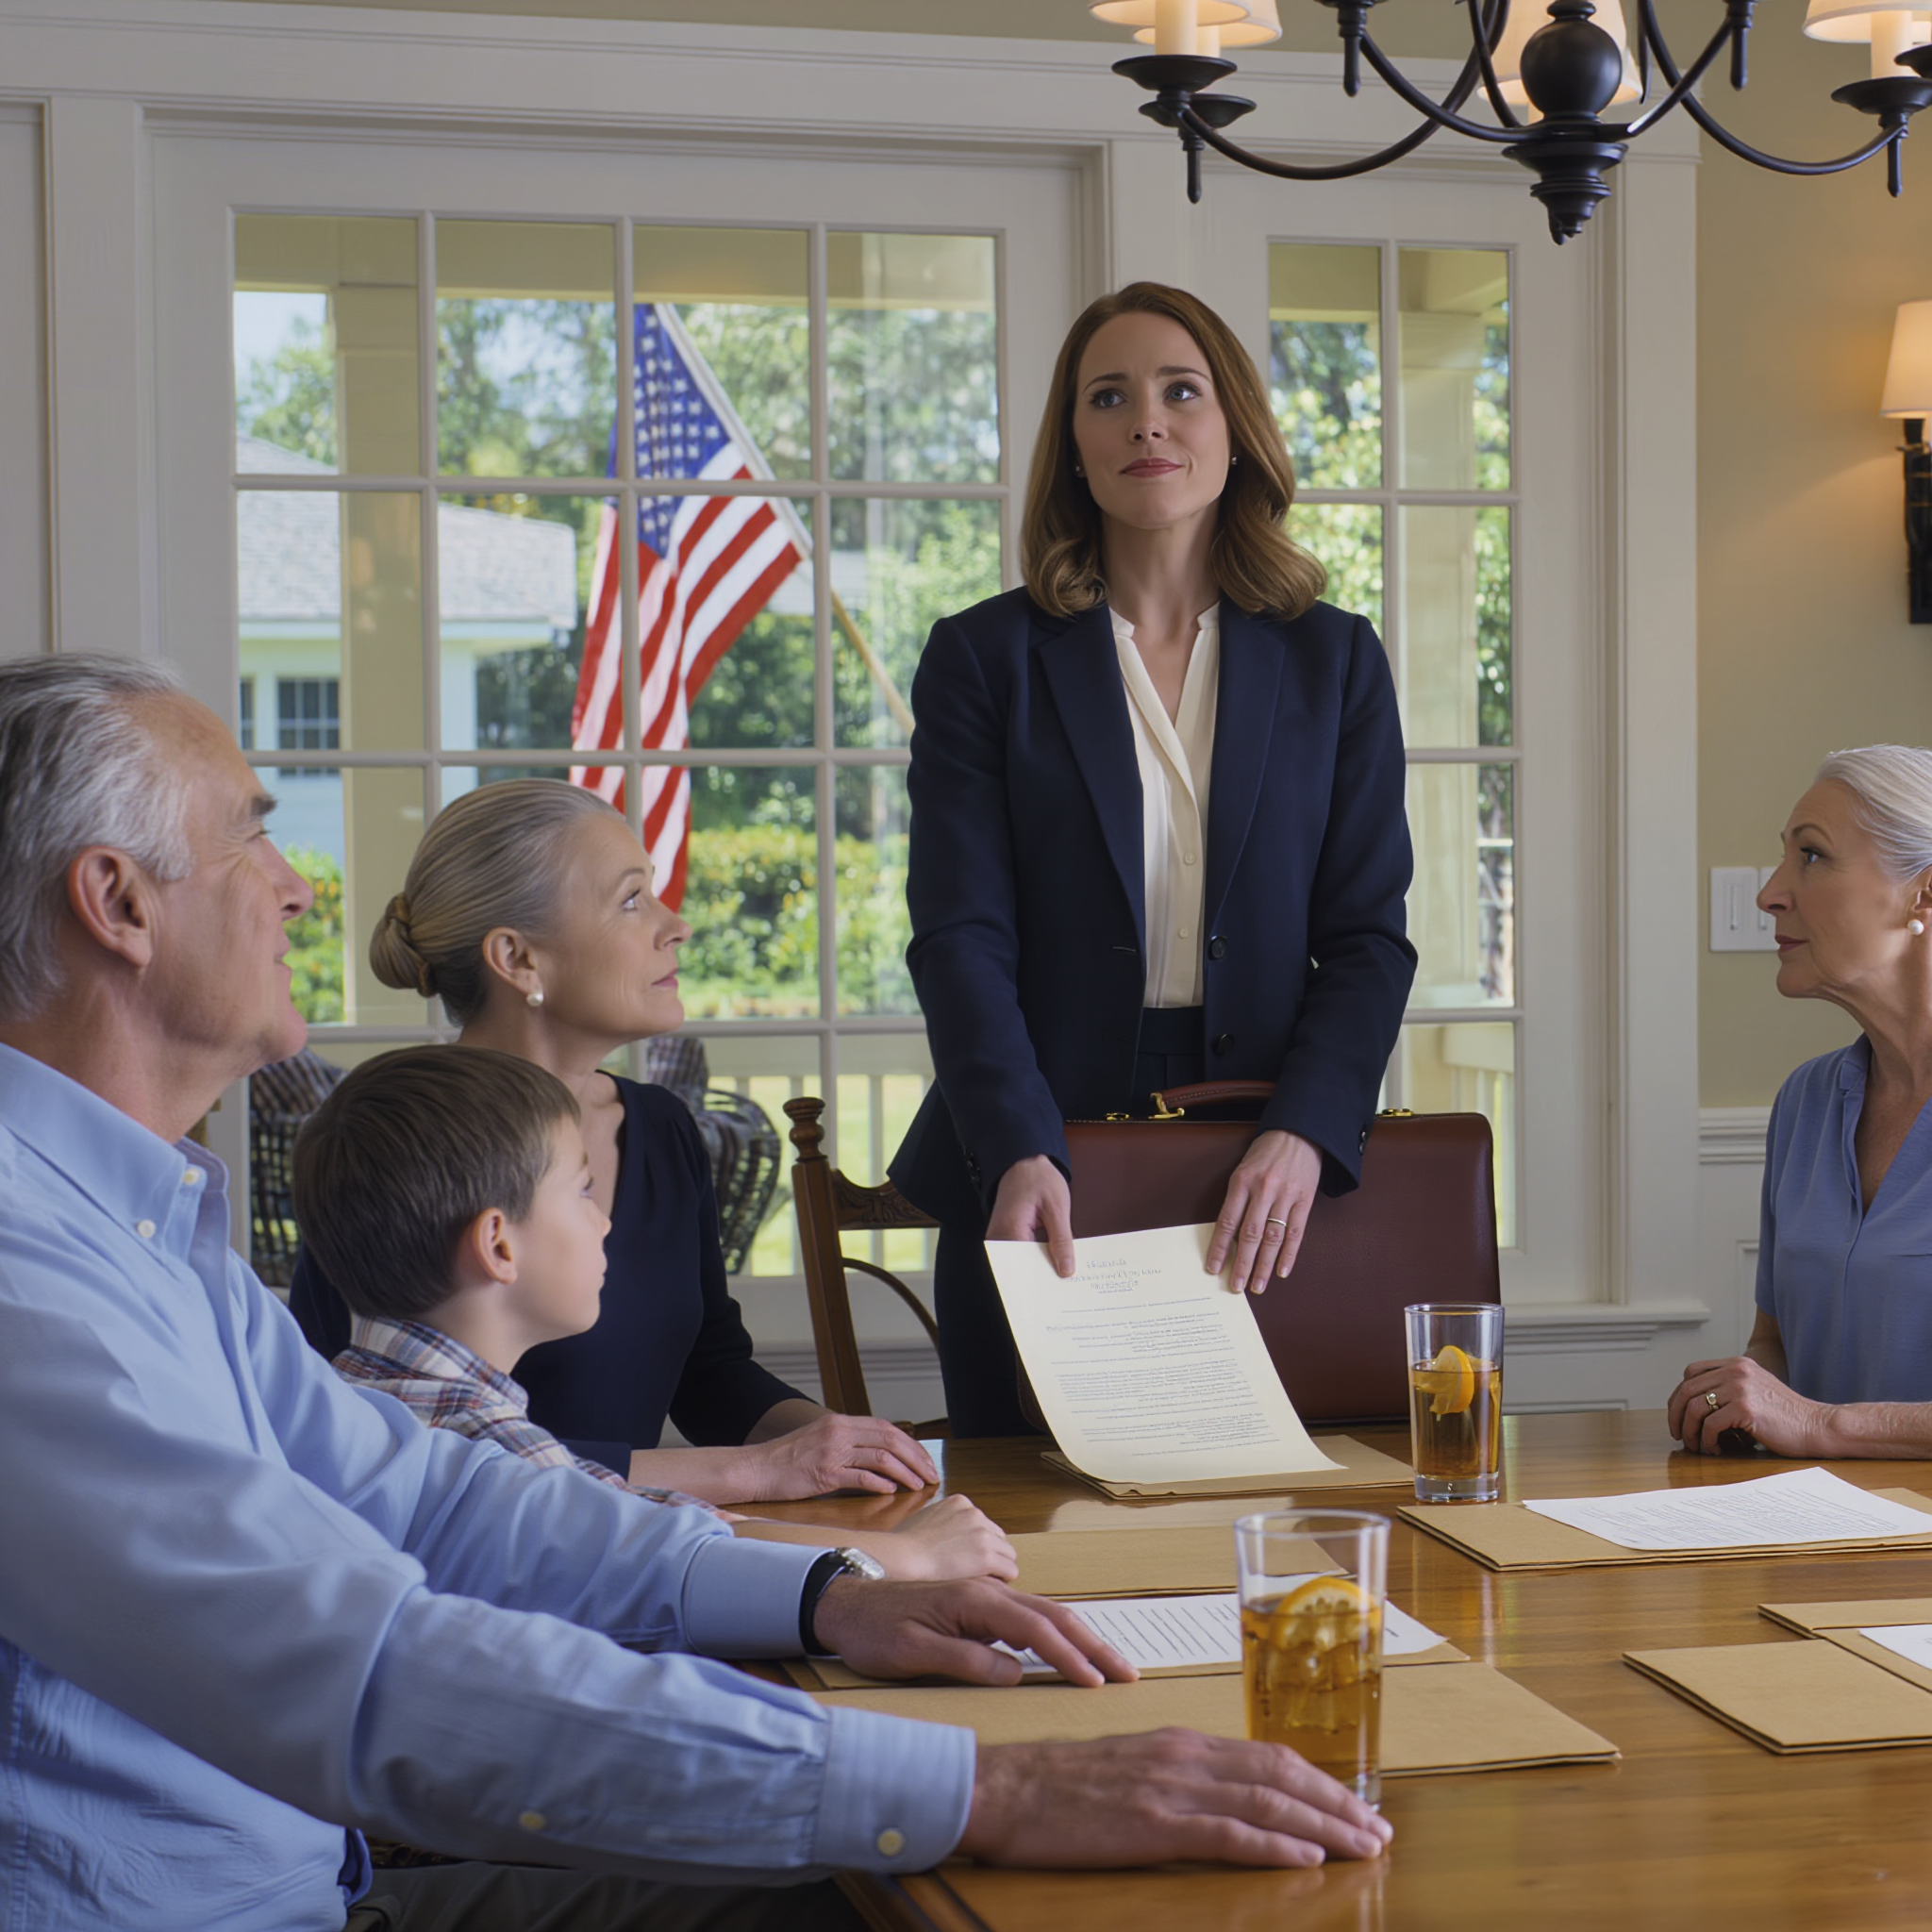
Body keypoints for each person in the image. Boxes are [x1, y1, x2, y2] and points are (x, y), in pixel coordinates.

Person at [0, 655, 1392, 1931]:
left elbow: (430, 1496)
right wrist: (987, 1790)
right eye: (252, 832)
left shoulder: (140, 1226)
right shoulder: (26, 1284)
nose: (298, 884)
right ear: (118, 903)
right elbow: (375, 1677)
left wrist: (823, 1597)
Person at [890, 282, 1417, 1435]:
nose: (1146, 422)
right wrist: (1015, 1145)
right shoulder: (983, 659)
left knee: (1272, 1529)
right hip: (1036, 1167)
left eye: (1181, 390)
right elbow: (959, 937)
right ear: (1072, 448)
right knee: (1033, 1539)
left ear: (1234, 432)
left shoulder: (1336, 663)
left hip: (1262, 1179)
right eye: (1108, 397)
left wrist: (1307, 1129)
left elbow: (1368, 938)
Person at [289, 777, 941, 1509]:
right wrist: (750, 1473)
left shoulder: (662, 1129)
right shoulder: (392, 1146)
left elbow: (710, 1375)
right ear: (518, 957)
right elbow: (368, 1443)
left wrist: (848, 1448)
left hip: (636, 1561)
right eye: (632, 900)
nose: (677, 925)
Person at [299, 1042, 1014, 1581]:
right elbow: (682, 1543)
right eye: (582, 1193)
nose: (606, 1221)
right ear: (498, 1244)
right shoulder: (481, 1446)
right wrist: (909, 1554)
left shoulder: (344, 1397)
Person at [1670, 746, 1932, 1458]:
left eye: (1812, 857)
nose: (1771, 893)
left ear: (1924, 895)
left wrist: (1821, 1425)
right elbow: (1774, 1341)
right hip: (1812, 1548)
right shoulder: (1806, 1104)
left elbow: (1811, 1417)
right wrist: (1739, 1394)